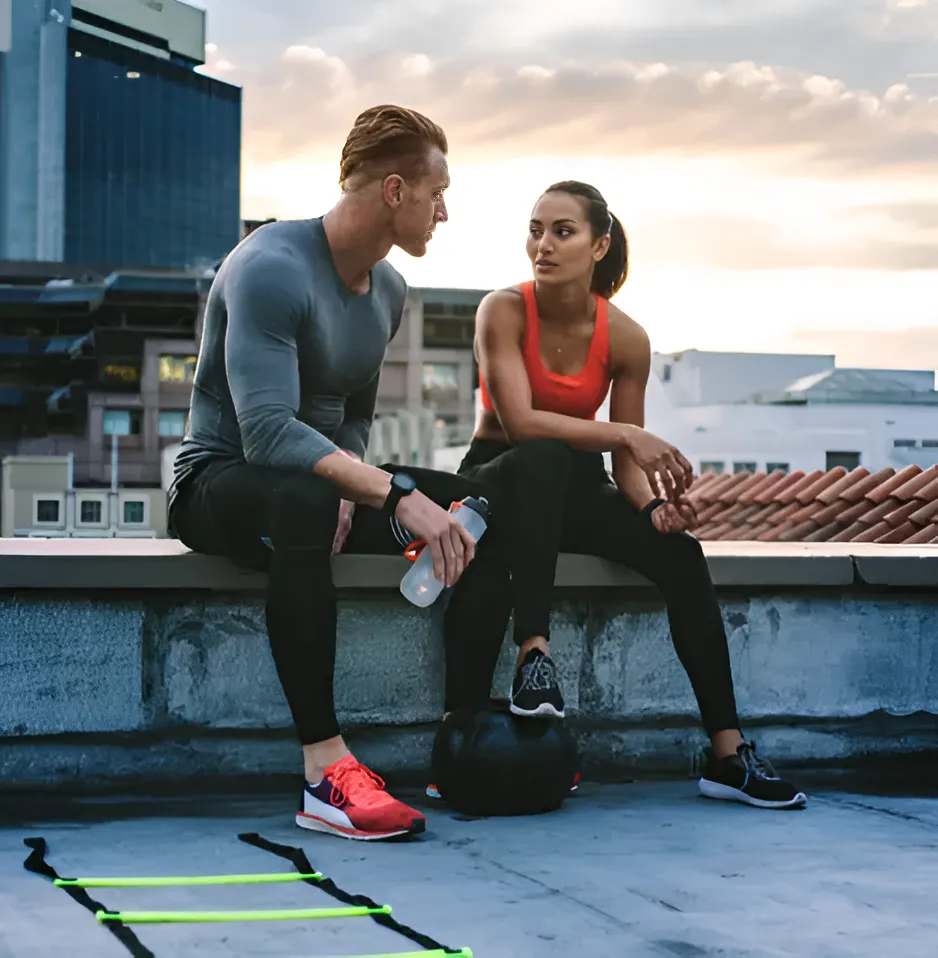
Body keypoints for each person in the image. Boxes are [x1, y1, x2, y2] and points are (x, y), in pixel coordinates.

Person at [168, 105, 513, 842]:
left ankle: (460, 745)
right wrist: (385, 491)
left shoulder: (388, 292)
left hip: (322, 487)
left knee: (479, 508)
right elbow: (265, 432)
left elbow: (353, 417)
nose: (444, 212)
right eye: (437, 193)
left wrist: (353, 482)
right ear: (395, 191)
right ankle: (325, 773)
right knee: (304, 500)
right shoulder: (270, 267)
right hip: (219, 481)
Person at [457, 180, 807, 810]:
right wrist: (627, 433)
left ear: (599, 245)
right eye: (536, 230)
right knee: (542, 458)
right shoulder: (502, 310)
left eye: (563, 231)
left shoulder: (625, 337)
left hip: (575, 485)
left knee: (682, 555)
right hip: (500, 480)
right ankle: (534, 656)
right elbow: (522, 423)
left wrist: (652, 508)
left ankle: (729, 755)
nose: (543, 245)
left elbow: (624, 466)